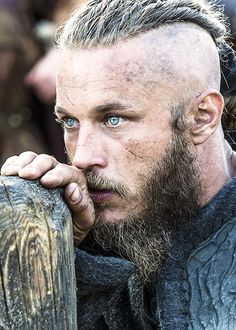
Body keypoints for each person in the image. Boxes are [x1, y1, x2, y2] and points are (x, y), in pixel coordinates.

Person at [1, 0, 236, 328]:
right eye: (70, 121)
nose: (81, 157)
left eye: (113, 119)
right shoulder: (98, 229)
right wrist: (56, 257)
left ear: (202, 118)